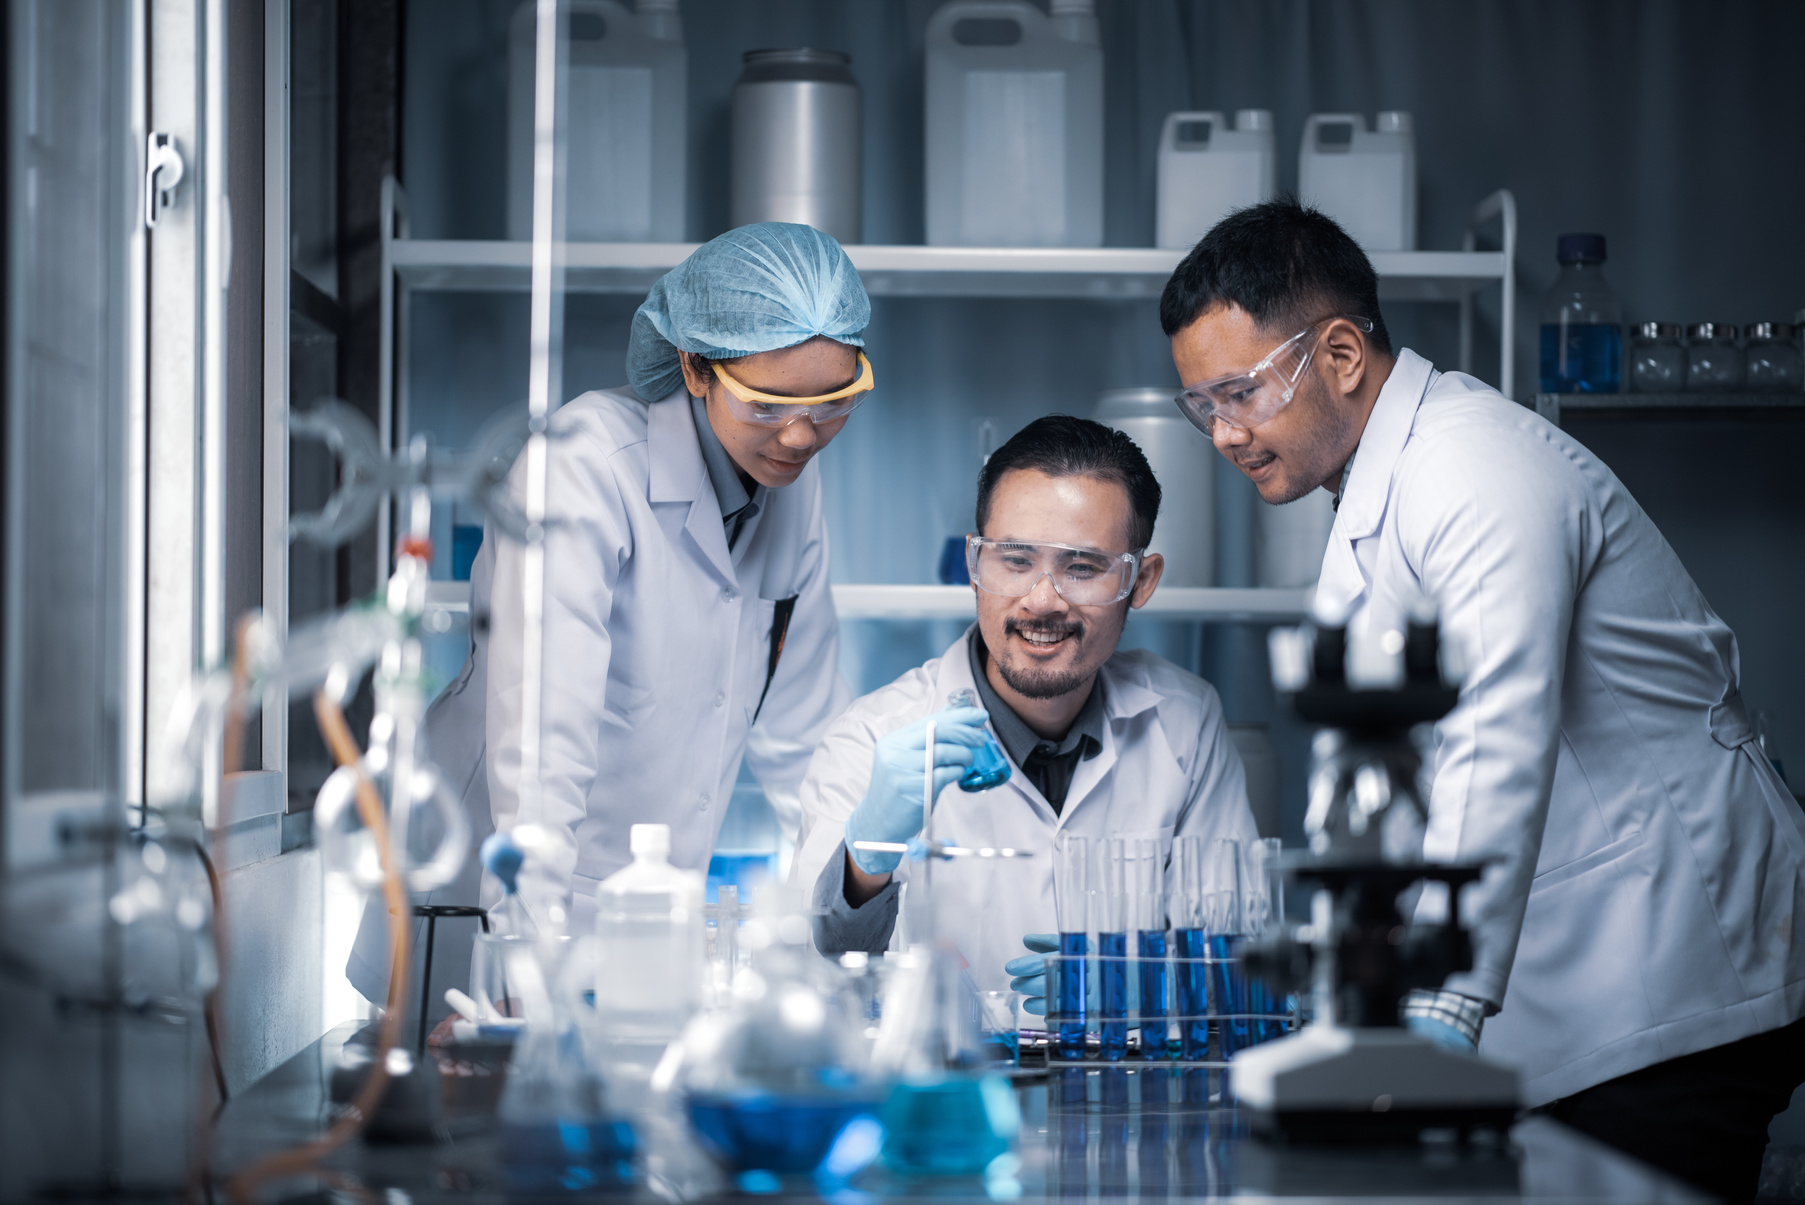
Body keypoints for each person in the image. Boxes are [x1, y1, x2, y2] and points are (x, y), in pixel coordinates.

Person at [1161, 197, 1805, 1203]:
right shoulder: (1380, 493)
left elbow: (1491, 727)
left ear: (1337, 354)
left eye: (1237, 393)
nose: (1222, 433)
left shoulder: (1472, 465)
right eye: (1200, 407)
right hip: (1583, 986)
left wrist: (1439, 1005)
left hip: (1673, 969)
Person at [349, 222, 869, 1011]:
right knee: (477, 1109)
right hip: (485, 909)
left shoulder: (791, 491)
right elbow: (541, 744)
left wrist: (846, 934)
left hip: (646, 919)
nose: (801, 436)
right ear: (695, 368)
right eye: (767, 405)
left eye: (831, 403)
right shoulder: (583, 467)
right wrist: (524, 960)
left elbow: (806, 742)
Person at [790, 415, 1258, 996]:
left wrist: (1136, 983)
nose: (1042, 602)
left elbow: (1240, 957)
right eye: (1015, 560)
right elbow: (809, 981)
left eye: (1082, 568)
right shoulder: (872, 738)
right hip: (950, 1084)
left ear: (1141, 581)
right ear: (973, 565)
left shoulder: (1185, 722)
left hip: (1125, 1081)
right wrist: (866, 862)